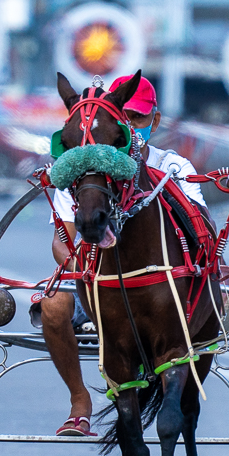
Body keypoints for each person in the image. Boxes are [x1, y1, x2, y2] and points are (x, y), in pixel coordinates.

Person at [41, 74, 208, 436]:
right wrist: (86, 270)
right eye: (125, 117)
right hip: (98, 286)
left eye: (138, 117)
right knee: (51, 306)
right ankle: (79, 399)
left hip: (162, 291)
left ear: (154, 121)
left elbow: (200, 231)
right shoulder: (82, 173)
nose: (131, 124)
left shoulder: (175, 167)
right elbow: (61, 241)